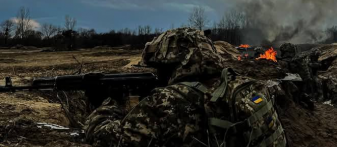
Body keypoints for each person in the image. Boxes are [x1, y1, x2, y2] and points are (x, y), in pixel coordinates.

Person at [84, 27, 286, 147]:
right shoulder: (241, 85)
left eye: (160, 68)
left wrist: (109, 105)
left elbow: (106, 137)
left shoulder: (167, 102)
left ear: (173, 64)